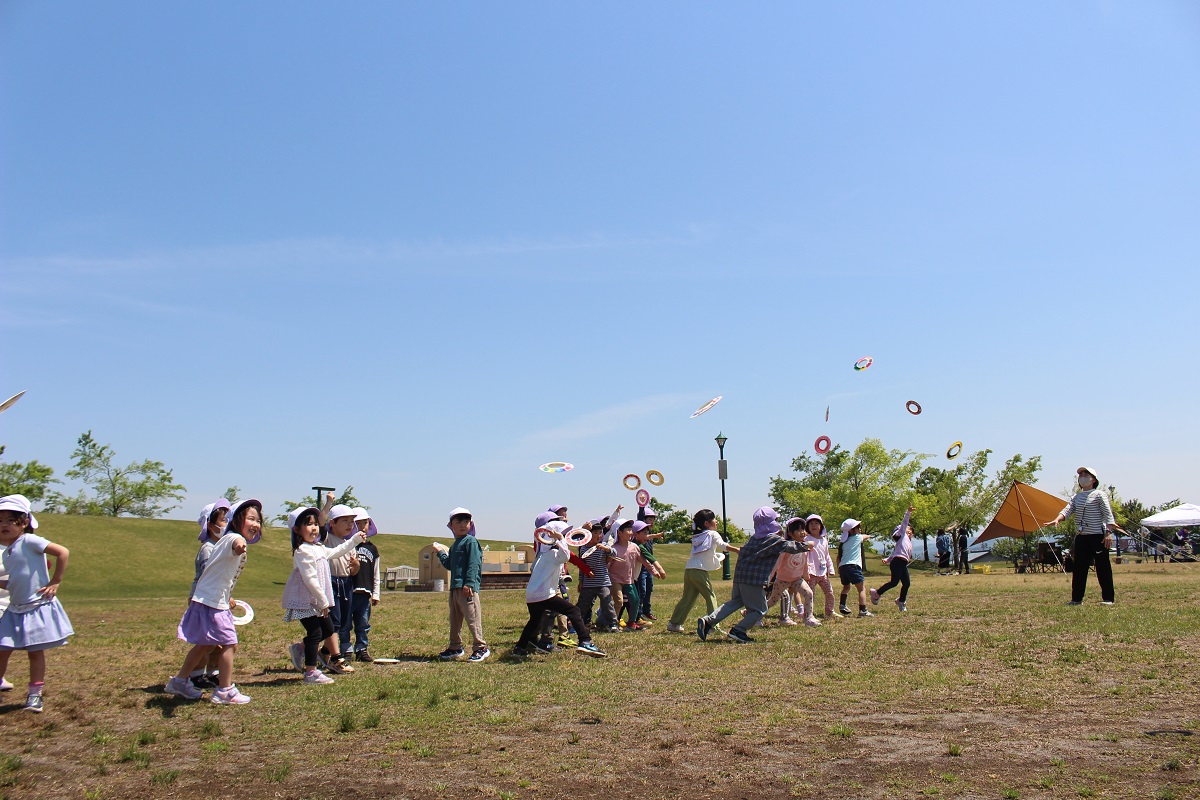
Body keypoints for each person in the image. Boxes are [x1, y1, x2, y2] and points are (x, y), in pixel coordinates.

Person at [166, 498, 263, 704]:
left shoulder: (224, 540)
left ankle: (180, 680)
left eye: (259, 520)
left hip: (210, 599)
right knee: (229, 642)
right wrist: (240, 547)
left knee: (204, 644)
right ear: (236, 521)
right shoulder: (234, 539)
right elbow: (237, 546)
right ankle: (224, 690)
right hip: (212, 602)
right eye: (251, 519)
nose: (256, 524)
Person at [0, 495, 74, 713]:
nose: (4, 525)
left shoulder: (30, 541)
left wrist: (55, 581)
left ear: (24, 523)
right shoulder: (8, 551)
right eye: (0, 521)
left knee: (35, 653)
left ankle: (35, 695)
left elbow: (63, 552)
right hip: (15, 609)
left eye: (10, 520)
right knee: (2, 649)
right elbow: (16, 580)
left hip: (35, 608)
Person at [696, 507, 810, 644]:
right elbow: (792, 547)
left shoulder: (754, 538)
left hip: (740, 576)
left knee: (735, 602)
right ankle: (739, 630)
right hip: (753, 580)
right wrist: (807, 545)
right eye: (775, 520)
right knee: (760, 610)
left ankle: (708, 621)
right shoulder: (772, 539)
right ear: (771, 523)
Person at [281, 507, 367, 683]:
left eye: (314, 524)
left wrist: (355, 540)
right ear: (296, 530)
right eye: (308, 524)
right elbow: (310, 578)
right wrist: (323, 601)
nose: (313, 528)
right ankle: (311, 672)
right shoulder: (302, 551)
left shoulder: (318, 548)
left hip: (318, 600)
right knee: (315, 633)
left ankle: (300, 649)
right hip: (306, 600)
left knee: (328, 629)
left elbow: (337, 551)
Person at [513, 522, 605, 658]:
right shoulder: (554, 553)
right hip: (544, 594)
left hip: (532, 596)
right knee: (574, 611)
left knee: (534, 621)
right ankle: (585, 641)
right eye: (562, 534)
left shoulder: (543, 554)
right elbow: (567, 555)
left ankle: (519, 648)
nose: (564, 536)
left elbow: (567, 553)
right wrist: (560, 539)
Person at [1045, 467, 1125, 605]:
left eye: (1085, 474)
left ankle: (1108, 598)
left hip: (1098, 536)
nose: (1081, 477)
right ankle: (1076, 599)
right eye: (1080, 475)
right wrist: (1058, 519)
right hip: (1082, 537)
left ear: (1093, 479)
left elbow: (1108, 514)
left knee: (1103, 567)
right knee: (1079, 568)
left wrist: (1108, 533)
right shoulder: (1076, 497)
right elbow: (1068, 509)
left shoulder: (1099, 494)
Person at [667, 509, 738, 633]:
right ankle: (712, 625)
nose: (716, 521)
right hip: (699, 571)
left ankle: (674, 623)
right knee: (711, 597)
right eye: (714, 519)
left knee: (687, 598)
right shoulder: (713, 534)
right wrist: (737, 550)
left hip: (689, 569)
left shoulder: (698, 535)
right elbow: (723, 545)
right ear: (706, 523)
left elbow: (705, 552)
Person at [432, 508, 490, 662]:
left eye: (466, 522)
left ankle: (481, 647)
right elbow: (450, 565)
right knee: (455, 620)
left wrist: (470, 583)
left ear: (471, 524)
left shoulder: (470, 541)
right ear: (451, 525)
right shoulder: (456, 544)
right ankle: (455, 647)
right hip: (455, 587)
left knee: (473, 618)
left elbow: (474, 563)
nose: (463, 525)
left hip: (467, 588)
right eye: (458, 522)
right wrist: (440, 552)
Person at [188, 500, 231, 689]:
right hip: (204, 600)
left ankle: (213, 672)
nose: (227, 524)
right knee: (205, 640)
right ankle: (195, 674)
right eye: (223, 520)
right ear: (211, 526)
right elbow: (209, 577)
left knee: (220, 639)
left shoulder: (221, 547)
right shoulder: (209, 548)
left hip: (217, 599)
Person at [322, 504, 362, 661]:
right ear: (332, 523)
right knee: (334, 621)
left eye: (352, 521)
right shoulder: (326, 539)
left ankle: (324, 652)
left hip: (346, 583)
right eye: (345, 521)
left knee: (344, 621)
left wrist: (356, 566)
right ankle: (334, 656)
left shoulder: (350, 543)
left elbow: (353, 571)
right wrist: (328, 503)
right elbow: (320, 526)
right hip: (331, 582)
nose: (350, 525)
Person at [766, 517, 818, 626]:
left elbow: (804, 563)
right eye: (798, 530)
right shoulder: (786, 547)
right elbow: (777, 565)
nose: (802, 532)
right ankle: (755, 616)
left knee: (808, 593)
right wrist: (769, 579)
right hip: (782, 579)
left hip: (797, 579)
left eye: (803, 529)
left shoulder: (804, 547)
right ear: (790, 533)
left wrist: (806, 575)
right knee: (772, 601)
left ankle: (808, 618)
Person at [349, 508, 381, 662]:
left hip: (364, 593)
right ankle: (345, 649)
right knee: (345, 624)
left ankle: (361, 649)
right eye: (357, 523)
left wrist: (376, 594)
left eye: (365, 522)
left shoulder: (372, 548)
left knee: (363, 623)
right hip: (348, 592)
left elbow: (376, 572)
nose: (362, 526)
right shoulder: (347, 546)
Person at [870, 507, 915, 612]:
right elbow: (904, 524)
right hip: (898, 562)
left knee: (906, 583)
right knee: (894, 582)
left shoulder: (906, 541)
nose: (910, 531)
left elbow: (895, 552)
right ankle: (876, 593)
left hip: (901, 563)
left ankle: (901, 601)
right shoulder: (902, 535)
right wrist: (908, 512)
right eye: (908, 529)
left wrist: (887, 559)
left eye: (911, 531)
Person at [574, 522, 617, 632]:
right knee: (583, 605)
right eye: (595, 533)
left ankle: (613, 624)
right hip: (588, 583)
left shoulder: (604, 546)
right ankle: (576, 624)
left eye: (600, 533)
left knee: (607, 604)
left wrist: (606, 549)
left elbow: (614, 553)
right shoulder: (583, 549)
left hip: (603, 582)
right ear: (589, 534)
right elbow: (582, 566)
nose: (598, 535)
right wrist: (581, 581)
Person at [803, 514, 839, 618]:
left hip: (822, 573)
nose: (813, 526)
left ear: (821, 526)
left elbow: (827, 556)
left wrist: (831, 569)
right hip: (811, 573)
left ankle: (830, 611)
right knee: (810, 594)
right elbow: (802, 553)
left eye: (816, 523)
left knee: (829, 592)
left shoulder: (824, 540)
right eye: (811, 524)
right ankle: (808, 614)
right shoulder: (806, 539)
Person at [630, 521, 666, 624]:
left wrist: (653, 571)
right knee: (631, 599)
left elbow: (645, 561)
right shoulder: (638, 546)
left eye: (647, 533)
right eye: (644, 534)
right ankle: (633, 619)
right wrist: (660, 569)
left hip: (632, 577)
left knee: (631, 600)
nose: (647, 536)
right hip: (628, 578)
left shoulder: (637, 543)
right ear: (636, 534)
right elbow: (649, 557)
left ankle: (635, 619)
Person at [837, 518, 873, 618]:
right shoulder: (857, 537)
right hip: (853, 566)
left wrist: (838, 569)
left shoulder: (843, 543)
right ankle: (863, 610)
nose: (860, 529)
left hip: (843, 567)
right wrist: (869, 535)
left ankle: (842, 605)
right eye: (858, 528)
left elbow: (838, 558)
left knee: (846, 587)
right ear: (851, 531)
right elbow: (865, 537)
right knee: (861, 589)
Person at [636, 505, 660, 620]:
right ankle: (639, 613)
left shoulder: (649, 534)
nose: (652, 522)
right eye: (649, 519)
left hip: (648, 567)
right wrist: (642, 505)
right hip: (641, 566)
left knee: (649, 588)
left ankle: (647, 611)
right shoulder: (641, 532)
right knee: (642, 590)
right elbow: (640, 517)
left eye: (653, 520)